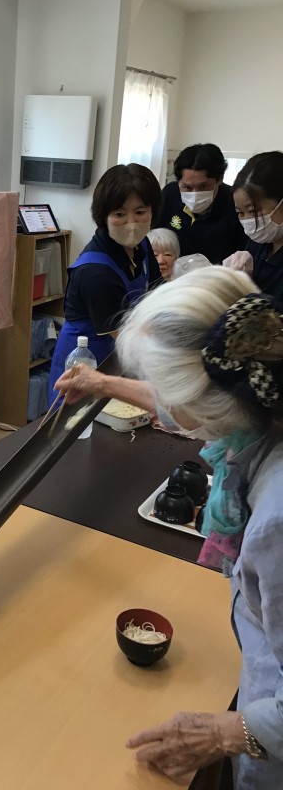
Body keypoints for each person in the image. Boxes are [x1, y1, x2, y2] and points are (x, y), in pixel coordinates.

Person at [58, 267, 283, 787]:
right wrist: (100, 382)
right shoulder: (258, 400)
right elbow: (187, 402)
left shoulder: (276, 518)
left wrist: (227, 733)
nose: (161, 400)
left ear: (205, 402)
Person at [48, 163, 162, 403]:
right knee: (78, 422)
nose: (132, 223)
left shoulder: (141, 244)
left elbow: (158, 294)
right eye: (119, 214)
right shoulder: (95, 272)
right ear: (104, 216)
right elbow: (127, 338)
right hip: (85, 362)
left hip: (120, 357)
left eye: (140, 212)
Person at [157, 143, 245, 264]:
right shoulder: (170, 194)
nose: (195, 194)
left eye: (203, 187)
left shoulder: (234, 202)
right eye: (187, 187)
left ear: (220, 179)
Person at [223, 151, 283, 313]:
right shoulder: (260, 243)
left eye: (253, 211)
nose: (248, 220)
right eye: (240, 213)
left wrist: (248, 292)